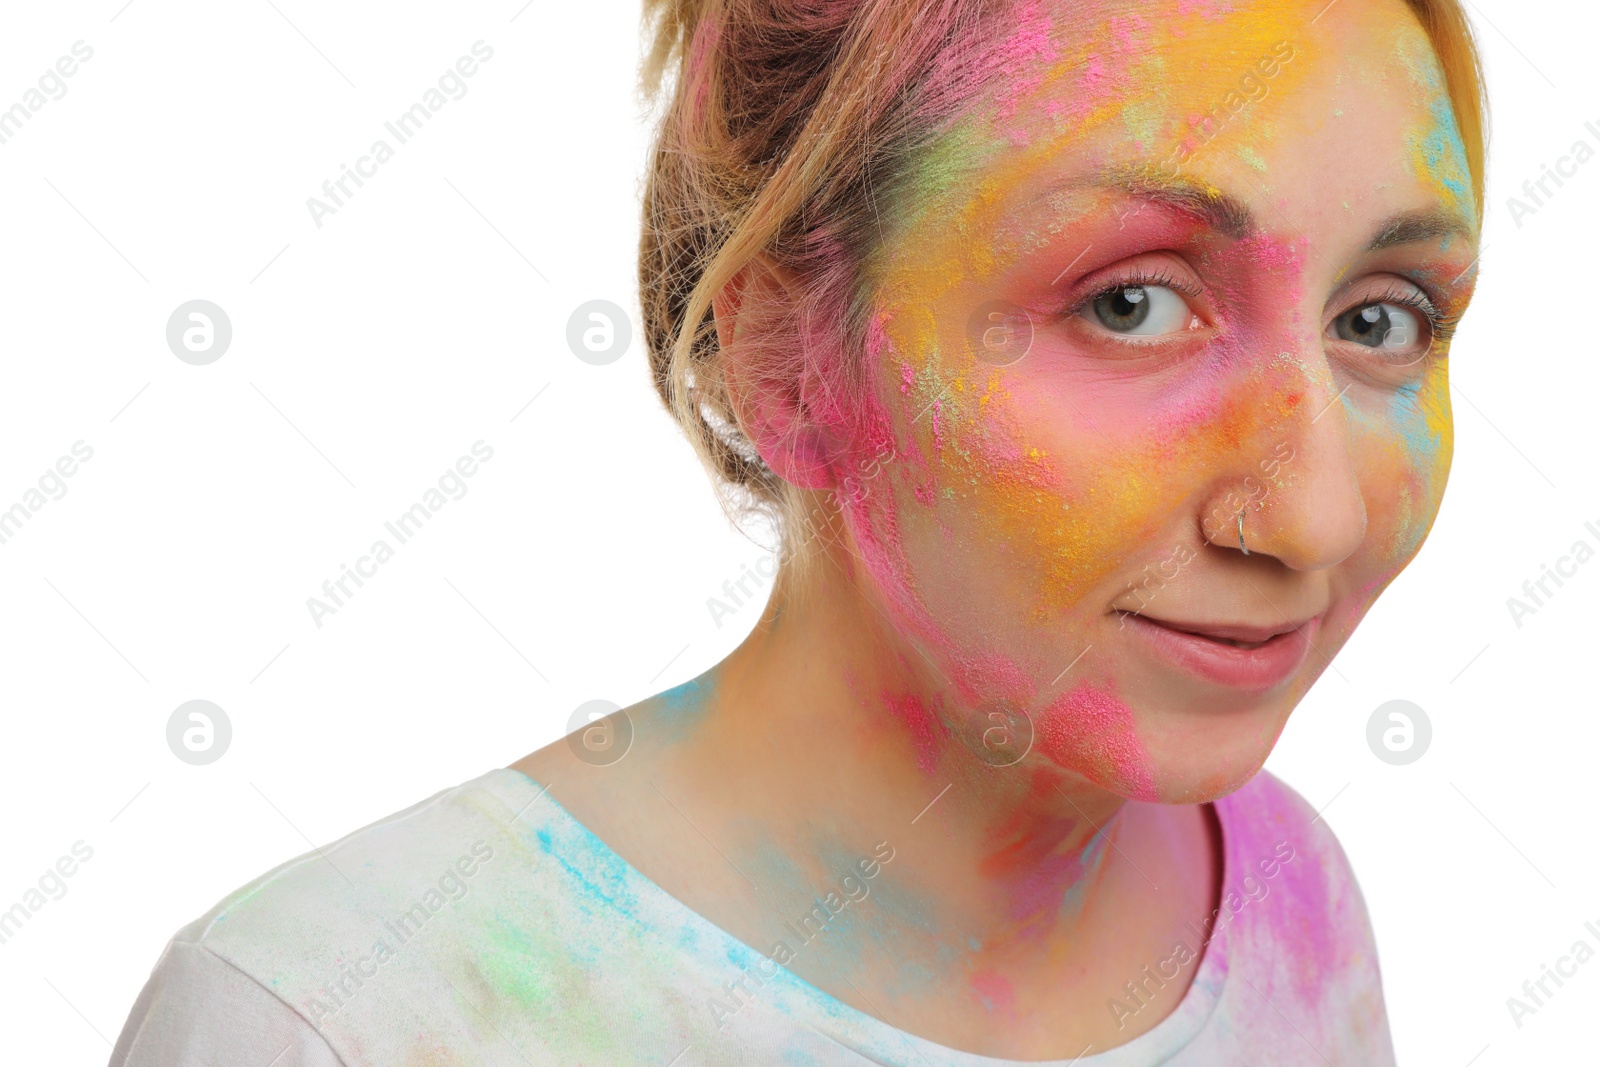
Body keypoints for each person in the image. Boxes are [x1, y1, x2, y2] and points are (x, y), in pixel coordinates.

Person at [110, 0, 1485, 1062]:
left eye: (1381, 319)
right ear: (787, 356)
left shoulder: (1282, 891)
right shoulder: (335, 1020)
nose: (1316, 515)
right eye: (1129, 303)